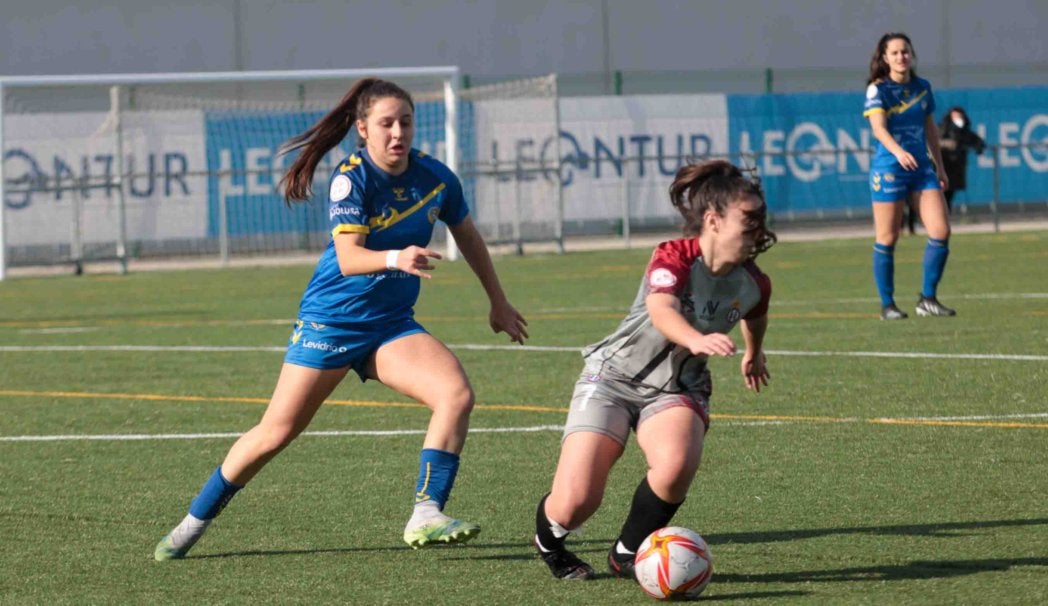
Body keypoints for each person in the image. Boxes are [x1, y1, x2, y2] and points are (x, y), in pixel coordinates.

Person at [154, 78, 529, 560]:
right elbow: (350, 258)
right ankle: (191, 524)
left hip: (390, 324)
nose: (398, 133)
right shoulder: (351, 178)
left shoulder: (436, 178)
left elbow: (468, 235)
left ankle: (426, 512)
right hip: (332, 321)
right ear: (363, 129)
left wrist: (498, 301)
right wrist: (396, 257)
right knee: (276, 433)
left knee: (455, 395)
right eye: (387, 123)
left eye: (406, 122)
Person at [532, 159, 776, 581]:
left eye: (760, 218)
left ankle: (627, 552)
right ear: (713, 220)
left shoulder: (754, 281)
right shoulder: (673, 255)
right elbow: (661, 309)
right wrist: (695, 338)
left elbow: (756, 314)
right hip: (612, 379)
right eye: (748, 219)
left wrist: (754, 353)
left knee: (677, 465)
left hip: (679, 387)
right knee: (575, 502)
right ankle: (550, 542)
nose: (758, 229)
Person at [863, 32, 956, 320]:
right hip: (890, 169)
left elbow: (930, 129)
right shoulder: (878, 90)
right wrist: (899, 152)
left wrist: (939, 166)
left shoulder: (922, 88)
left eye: (905, 51)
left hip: (921, 170)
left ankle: (927, 299)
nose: (901, 57)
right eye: (894, 53)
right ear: (885, 58)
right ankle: (887, 305)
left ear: (912, 54)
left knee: (941, 230)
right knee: (888, 236)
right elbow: (879, 129)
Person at [938, 106, 986, 212]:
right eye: (955, 116)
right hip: (943, 166)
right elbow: (934, 142)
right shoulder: (942, 129)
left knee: (949, 195)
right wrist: (947, 144)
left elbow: (978, 142)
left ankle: (946, 215)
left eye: (960, 116)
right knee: (940, 195)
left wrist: (978, 147)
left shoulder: (964, 132)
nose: (958, 119)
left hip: (956, 168)